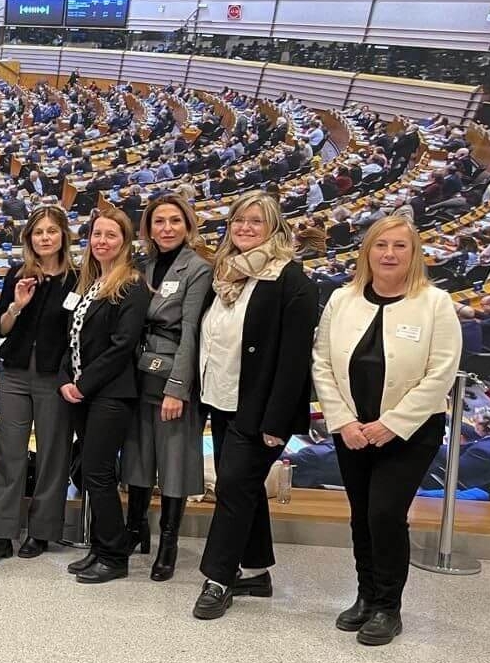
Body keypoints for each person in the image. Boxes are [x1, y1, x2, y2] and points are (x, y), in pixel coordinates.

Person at [313, 215, 461, 646]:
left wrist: (391, 425)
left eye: (400, 246)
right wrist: (343, 421)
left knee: (385, 514)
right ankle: (365, 596)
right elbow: (322, 362)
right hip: (352, 430)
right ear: (367, 252)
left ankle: (388, 607)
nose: (389, 254)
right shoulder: (342, 299)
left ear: (413, 254)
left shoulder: (435, 303)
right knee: (362, 515)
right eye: (381, 246)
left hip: (410, 433)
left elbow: (441, 372)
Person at [193, 192, 318, 620]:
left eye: (256, 221)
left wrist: (276, 420)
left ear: (274, 228)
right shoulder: (226, 273)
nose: (245, 228)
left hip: (261, 410)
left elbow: (294, 359)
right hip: (222, 399)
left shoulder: (290, 280)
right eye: (239, 220)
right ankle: (258, 572)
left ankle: (218, 579)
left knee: (232, 487)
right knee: (244, 486)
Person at [0, 205, 77, 567]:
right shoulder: (17, 275)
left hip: (56, 379)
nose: (45, 237)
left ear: (63, 234)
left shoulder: (78, 277)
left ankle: (41, 531)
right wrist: (17, 306)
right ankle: (1, 535)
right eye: (38, 232)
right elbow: (1, 327)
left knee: (53, 456)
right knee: (9, 455)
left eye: (51, 231)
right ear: (29, 238)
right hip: (16, 374)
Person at [122, 193, 213, 582]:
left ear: (188, 225)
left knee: (174, 460)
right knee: (139, 456)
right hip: (137, 371)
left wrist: (178, 387)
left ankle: (169, 542)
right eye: (159, 222)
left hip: (174, 368)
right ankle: (134, 529)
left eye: (174, 221)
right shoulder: (140, 265)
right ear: (148, 228)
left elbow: (192, 329)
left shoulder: (198, 268)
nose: (167, 229)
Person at [57, 206, 149, 584]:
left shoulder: (131, 284)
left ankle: (114, 555)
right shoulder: (87, 283)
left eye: (111, 235)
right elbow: (72, 337)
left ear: (124, 241)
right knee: (91, 472)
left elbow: (122, 345)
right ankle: (99, 547)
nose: (102, 241)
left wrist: (83, 384)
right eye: (97, 234)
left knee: (97, 472)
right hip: (81, 391)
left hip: (109, 393)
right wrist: (66, 377)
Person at [425, 409, 490, 490]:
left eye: (476, 422)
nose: (474, 423)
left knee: (428, 452)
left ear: (488, 429)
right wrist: (446, 418)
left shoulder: (485, 451)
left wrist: (447, 444)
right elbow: (475, 432)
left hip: (481, 487)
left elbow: (457, 467)